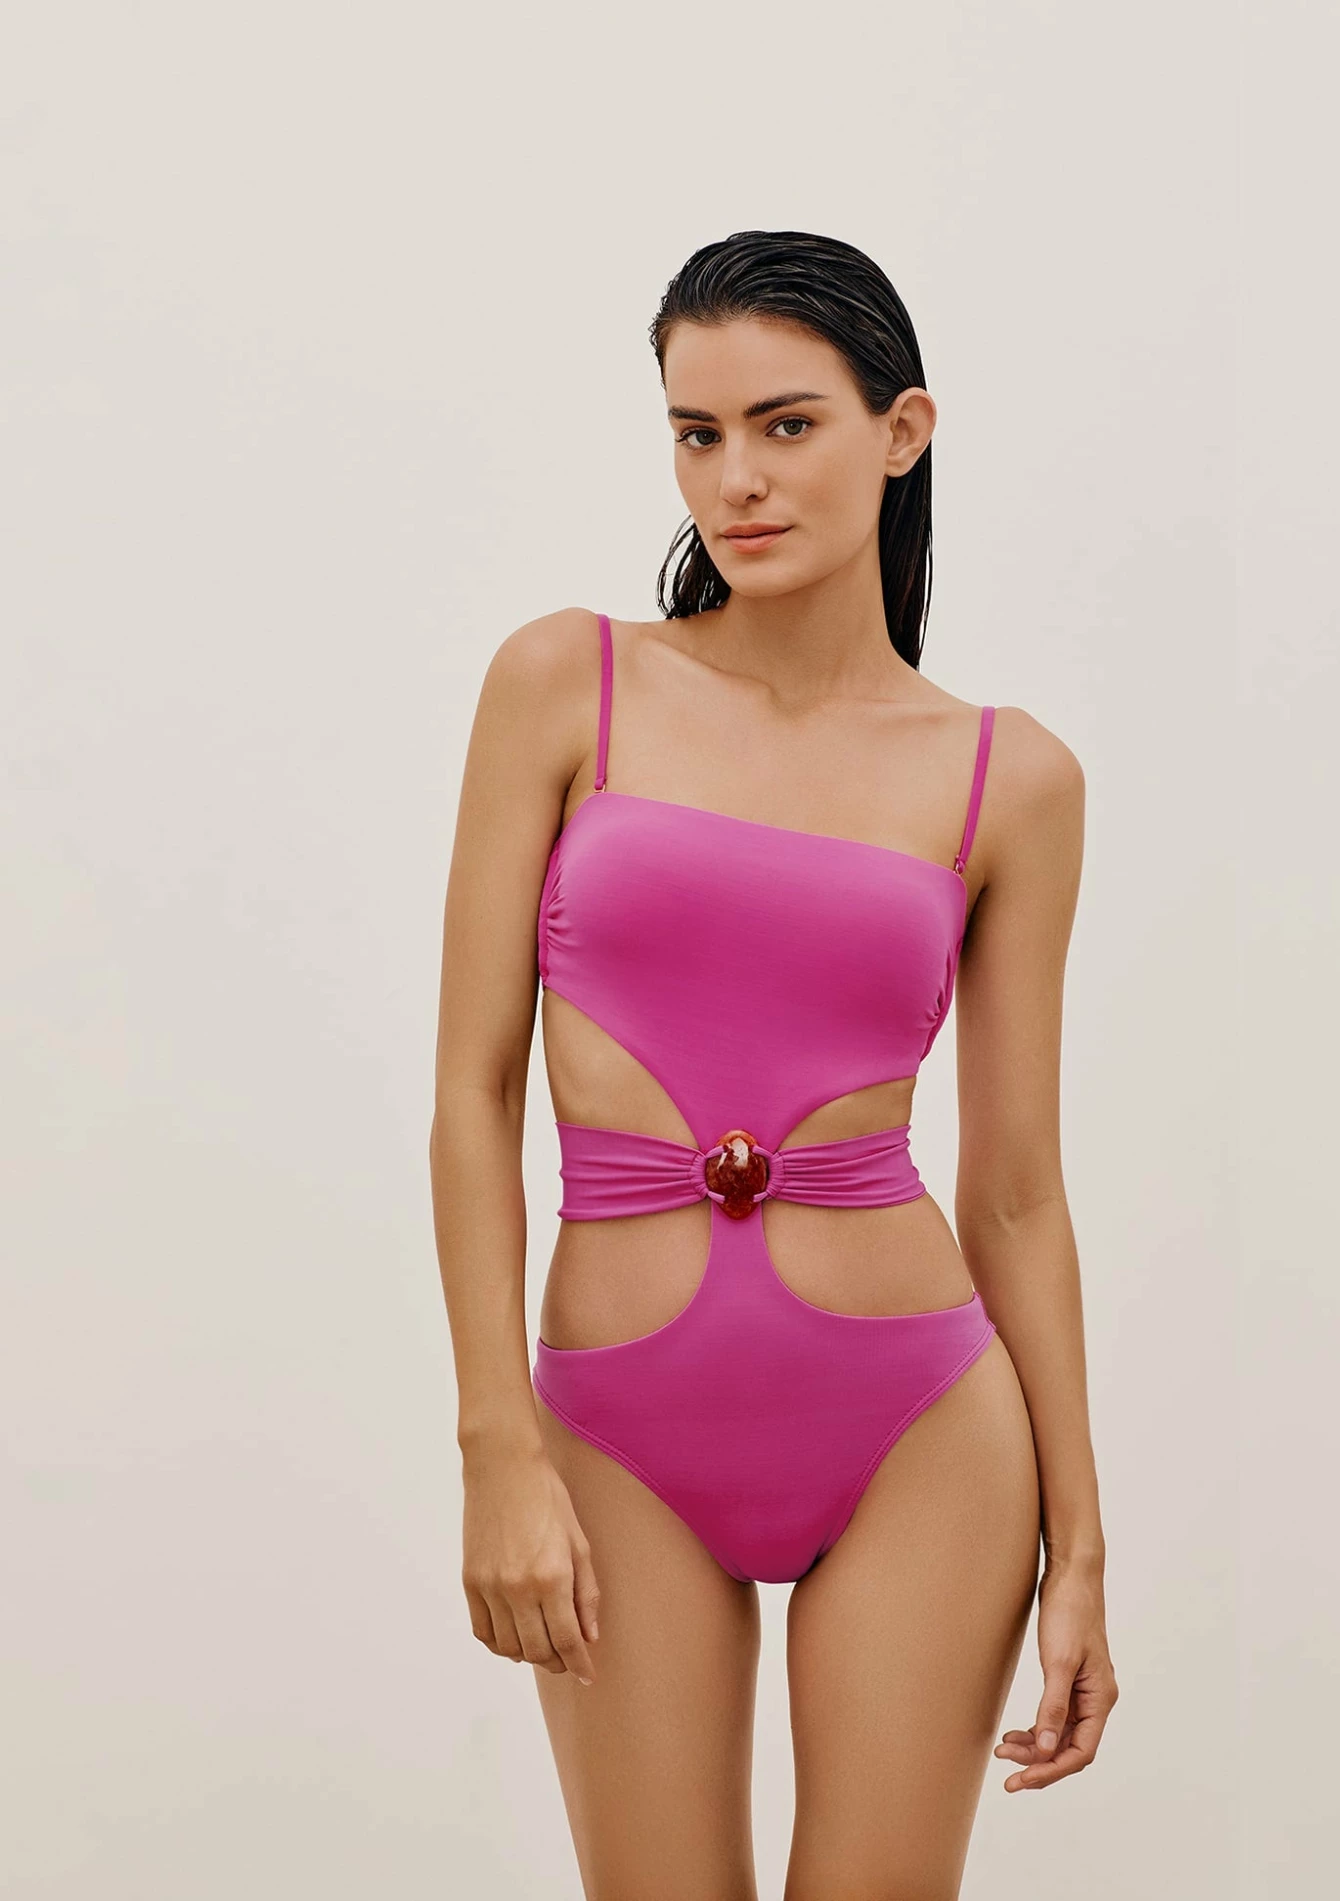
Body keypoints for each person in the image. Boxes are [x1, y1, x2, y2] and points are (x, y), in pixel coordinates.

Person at [430, 229, 1118, 1898]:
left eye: (787, 425)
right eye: (698, 431)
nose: (734, 479)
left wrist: (1084, 1546)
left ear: (903, 431)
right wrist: (496, 1448)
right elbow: (471, 1095)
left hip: (920, 1429)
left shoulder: (1009, 779)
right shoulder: (568, 683)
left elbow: (1015, 1193)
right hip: (615, 1424)